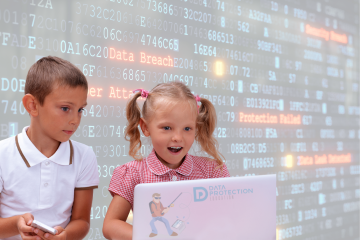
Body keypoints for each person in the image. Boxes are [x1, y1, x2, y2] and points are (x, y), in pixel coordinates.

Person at [103, 82, 230, 240]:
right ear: (145, 127)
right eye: (167, 128)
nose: (178, 137)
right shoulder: (133, 173)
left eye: (187, 128)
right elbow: (111, 225)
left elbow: (229, 218)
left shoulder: (213, 171)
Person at [0, 56, 99, 240]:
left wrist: (66, 235)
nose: (75, 120)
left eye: (80, 110)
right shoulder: (2, 154)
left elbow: (82, 221)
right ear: (32, 105)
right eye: (65, 108)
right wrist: (16, 224)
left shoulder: (84, 156)